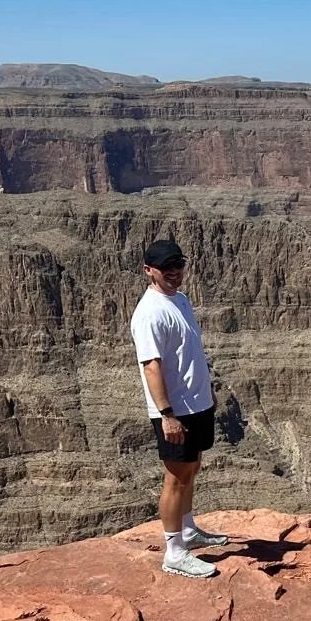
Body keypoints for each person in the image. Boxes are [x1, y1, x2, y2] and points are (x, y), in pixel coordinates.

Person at [130, 238, 229, 578]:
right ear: (149, 271)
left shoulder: (180, 300)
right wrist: (166, 414)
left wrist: (208, 392)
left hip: (197, 402)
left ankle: (187, 529)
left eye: (178, 265)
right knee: (175, 478)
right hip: (176, 410)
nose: (174, 272)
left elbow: (189, 354)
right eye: (165, 268)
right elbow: (151, 366)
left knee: (192, 467)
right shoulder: (150, 313)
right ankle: (174, 552)